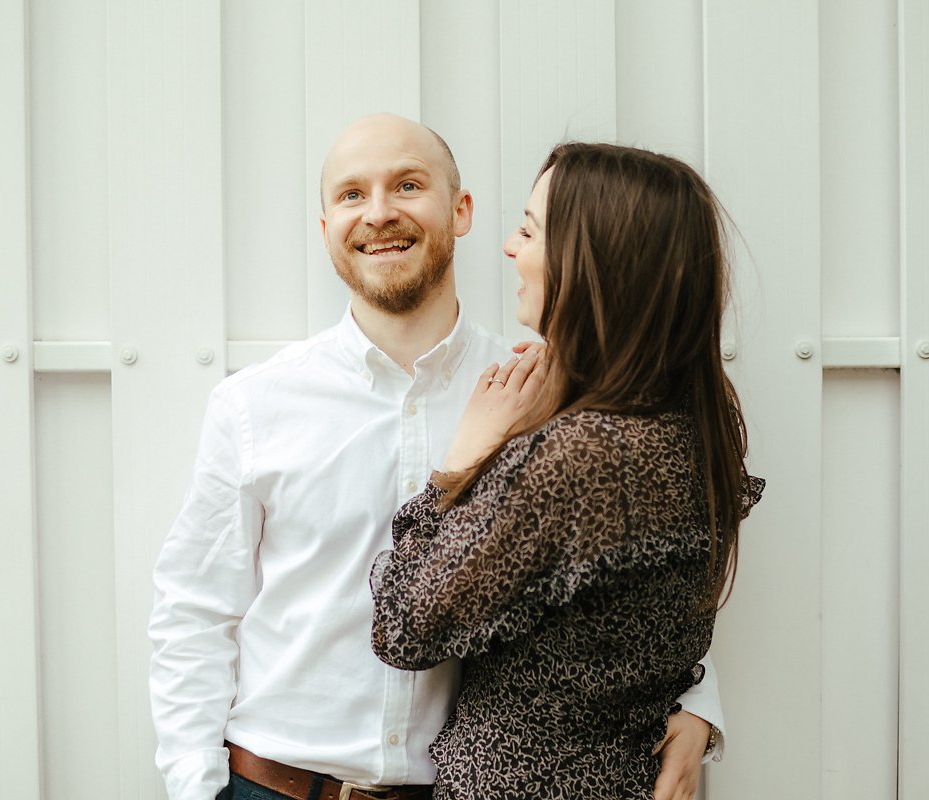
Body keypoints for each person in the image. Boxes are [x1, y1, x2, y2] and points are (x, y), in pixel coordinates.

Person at [149, 115, 726, 800]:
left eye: (408, 184)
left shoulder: (538, 392)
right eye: (352, 195)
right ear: (325, 225)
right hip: (276, 785)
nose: (381, 213)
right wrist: (196, 789)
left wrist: (698, 709)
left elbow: (623, 585)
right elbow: (195, 612)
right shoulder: (254, 405)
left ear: (461, 210)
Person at [369, 142, 764, 799]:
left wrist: (463, 459)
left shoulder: (579, 458)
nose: (508, 248)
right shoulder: (701, 417)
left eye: (528, 229)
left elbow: (406, 627)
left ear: (593, 262)